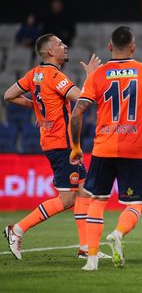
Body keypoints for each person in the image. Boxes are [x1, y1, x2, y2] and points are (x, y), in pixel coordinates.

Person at [69, 26, 142, 270]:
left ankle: (91, 258)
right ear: (133, 46)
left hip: (103, 148)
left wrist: (75, 146)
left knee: (97, 200)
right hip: (134, 149)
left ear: (109, 47)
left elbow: (77, 114)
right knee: (136, 203)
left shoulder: (98, 75)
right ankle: (118, 234)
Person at [3, 33, 103, 260]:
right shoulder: (55, 76)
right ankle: (17, 229)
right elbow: (83, 99)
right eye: (60, 44)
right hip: (63, 144)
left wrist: (36, 109)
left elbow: (8, 95)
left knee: (83, 191)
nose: (65, 46)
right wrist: (90, 77)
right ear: (50, 51)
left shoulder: (34, 74)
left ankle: (85, 249)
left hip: (52, 141)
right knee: (68, 199)